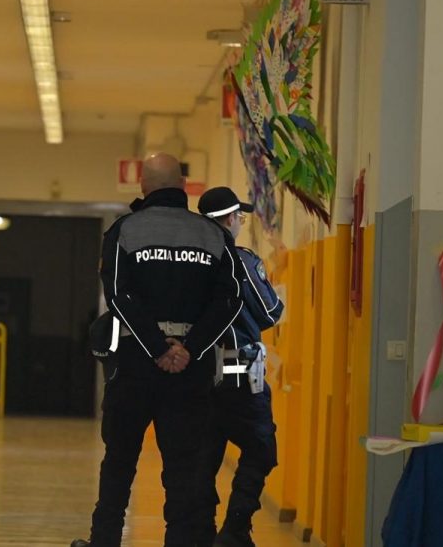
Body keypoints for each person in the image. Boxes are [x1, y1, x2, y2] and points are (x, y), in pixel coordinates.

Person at [73, 153, 243, 547]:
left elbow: (118, 294)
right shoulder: (214, 235)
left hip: (133, 366)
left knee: (118, 467)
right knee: (184, 474)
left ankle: (104, 542)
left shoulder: (125, 231)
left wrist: (154, 346)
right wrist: (190, 349)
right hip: (191, 372)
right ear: (184, 187)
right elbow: (230, 300)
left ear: (144, 188)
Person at [195, 187, 284, 547]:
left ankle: (199, 529)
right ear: (231, 219)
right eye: (240, 217)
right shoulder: (241, 261)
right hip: (238, 366)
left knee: (204, 454)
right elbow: (270, 312)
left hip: (196, 369)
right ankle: (235, 528)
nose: (241, 223)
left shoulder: (191, 263)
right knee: (261, 447)